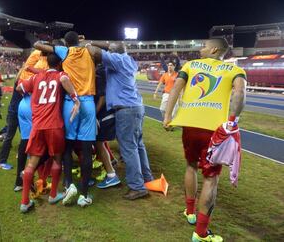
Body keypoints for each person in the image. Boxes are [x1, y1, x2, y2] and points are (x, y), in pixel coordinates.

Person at [163, 38, 247, 242]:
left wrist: (167, 116)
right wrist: (232, 121)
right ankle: (200, 233)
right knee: (211, 178)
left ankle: (189, 211)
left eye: (204, 46)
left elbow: (176, 89)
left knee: (190, 166)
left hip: (189, 125)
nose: (200, 48)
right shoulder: (234, 70)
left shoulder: (190, 65)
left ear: (214, 49)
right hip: (214, 129)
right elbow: (240, 93)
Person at [34, 31, 97, 207]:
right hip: (89, 103)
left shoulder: (65, 51)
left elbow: (38, 45)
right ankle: (84, 195)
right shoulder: (89, 51)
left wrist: (53, 46)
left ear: (67, 43)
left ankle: (69, 184)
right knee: (86, 149)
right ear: (79, 40)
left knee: (67, 147)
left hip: (71, 102)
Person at [89, 42, 154, 200]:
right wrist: (110, 45)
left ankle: (137, 187)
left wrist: (90, 43)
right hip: (136, 107)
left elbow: (94, 51)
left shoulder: (118, 60)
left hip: (126, 109)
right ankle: (147, 178)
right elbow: (114, 49)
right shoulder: (128, 59)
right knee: (138, 145)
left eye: (109, 51)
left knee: (129, 148)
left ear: (114, 53)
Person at [17, 53, 80, 213]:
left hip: (37, 125)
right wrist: (76, 99)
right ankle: (53, 195)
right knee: (57, 159)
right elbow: (65, 80)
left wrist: (32, 95)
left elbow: (19, 87)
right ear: (59, 64)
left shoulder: (36, 78)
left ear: (46, 64)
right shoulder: (60, 75)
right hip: (54, 124)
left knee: (32, 163)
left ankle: (24, 202)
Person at [0, 49, 48, 171]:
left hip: (16, 110)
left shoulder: (21, 76)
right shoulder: (25, 79)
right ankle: (1, 161)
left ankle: (19, 155)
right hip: (17, 110)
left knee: (22, 136)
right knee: (13, 135)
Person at [94, 64, 121, 189]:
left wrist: (93, 114)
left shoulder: (100, 72)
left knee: (98, 142)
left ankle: (111, 175)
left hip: (105, 112)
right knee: (101, 140)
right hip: (112, 109)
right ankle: (112, 160)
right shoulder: (107, 69)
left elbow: (102, 97)